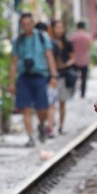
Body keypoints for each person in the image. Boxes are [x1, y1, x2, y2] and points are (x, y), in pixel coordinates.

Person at [9, 14, 57, 146]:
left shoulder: (42, 37)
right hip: (24, 77)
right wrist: (12, 82)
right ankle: (30, 137)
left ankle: (41, 125)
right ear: (21, 26)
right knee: (25, 108)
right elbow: (13, 62)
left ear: (33, 23)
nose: (27, 27)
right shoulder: (18, 41)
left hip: (40, 76)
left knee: (42, 109)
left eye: (29, 24)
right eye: (24, 24)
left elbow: (49, 57)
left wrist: (53, 76)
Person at [50, 19, 76, 135]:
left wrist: (65, 64)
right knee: (51, 103)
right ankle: (50, 126)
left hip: (64, 75)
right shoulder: (48, 43)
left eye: (61, 27)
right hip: (52, 76)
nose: (59, 30)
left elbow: (73, 58)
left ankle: (60, 126)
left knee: (62, 102)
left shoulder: (67, 43)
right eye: (57, 27)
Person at [70, 21, 92, 98]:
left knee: (73, 76)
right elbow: (89, 47)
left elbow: (70, 47)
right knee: (84, 78)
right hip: (84, 59)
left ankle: (72, 92)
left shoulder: (73, 36)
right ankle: (82, 93)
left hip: (75, 59)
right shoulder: (87, 36)